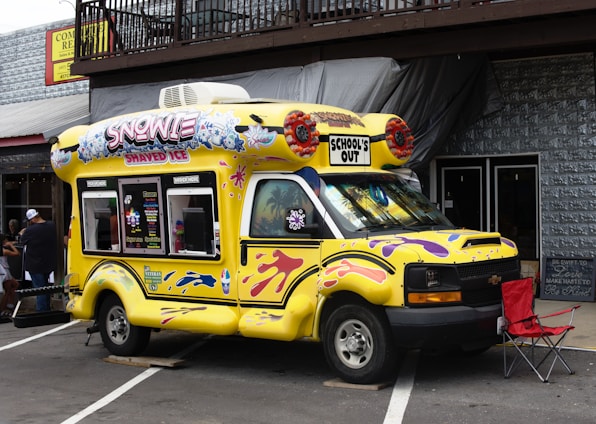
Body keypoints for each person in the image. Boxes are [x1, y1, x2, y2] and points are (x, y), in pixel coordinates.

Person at [19, 209, 57, 312]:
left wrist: (22, 234)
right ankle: (47, 309)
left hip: (34, 264)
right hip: (48, 262)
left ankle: (41, 311)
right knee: (46, 287)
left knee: (39, 289)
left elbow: (22, 242)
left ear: (33, 219)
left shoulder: (30, 230)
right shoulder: (52, 226)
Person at [0, 233, 20, 319]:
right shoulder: (4, 251)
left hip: (4, 270)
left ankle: (9, 304)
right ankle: (4, 308)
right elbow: (16, 253)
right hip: (4, 271)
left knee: (14, 285)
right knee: (7, 290)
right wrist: (12, 246)